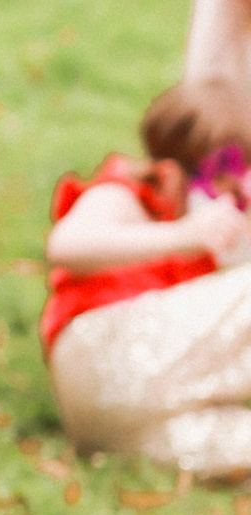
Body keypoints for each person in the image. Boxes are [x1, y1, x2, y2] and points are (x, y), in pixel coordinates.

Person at [45, 85, 251, 478]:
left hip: (126, 420)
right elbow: (65, 244)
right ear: (173, 172)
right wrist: (182, 236)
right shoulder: (129, 197)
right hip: (99, 352)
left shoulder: (207, 256)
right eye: (221, 182)